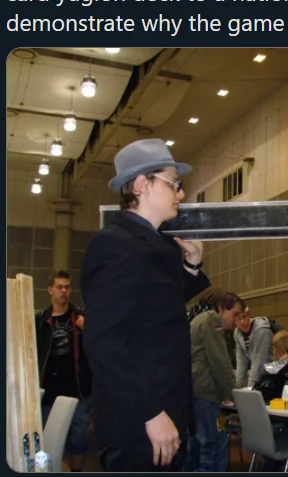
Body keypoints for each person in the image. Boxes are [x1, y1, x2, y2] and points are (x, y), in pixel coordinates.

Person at [81, 138, 211, 472]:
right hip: (139, 421)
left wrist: (192, 266)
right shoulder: (114, 245)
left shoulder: (157, 246)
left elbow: (154, 309)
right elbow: (104, 342)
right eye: (174, 184)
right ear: (142, 184)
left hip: (164, 412)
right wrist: (150, 413)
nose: (180, 194)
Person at [35, 270, 92, 472]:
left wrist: (88, 330)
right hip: (48, 392)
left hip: (77, 390)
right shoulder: (41, 320)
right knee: (45, 438)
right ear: (50, 290)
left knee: (80, 438)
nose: (64, 291)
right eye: (59, 287)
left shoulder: (82, 318)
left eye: (67, 287)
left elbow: (99, 349)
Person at [186, 288, 245, 472]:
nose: (236, 321)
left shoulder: (198, 319)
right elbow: (220, 363)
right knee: (213, 453)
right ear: (221, 308)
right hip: (206, 396)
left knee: (195, 452)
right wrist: (236, 395)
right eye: (234, 314)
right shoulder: (211, 320)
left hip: (195, 394)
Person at [234, 307, 274, 388]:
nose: (243, 321)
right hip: (261, 371)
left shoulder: (261, 331)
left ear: (249, 315)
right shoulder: (237, 333)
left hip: (272, 370)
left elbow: (259, 362)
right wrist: (237, 388)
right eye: (238, 319)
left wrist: (251, 388)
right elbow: (241, 363)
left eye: (244, 317)